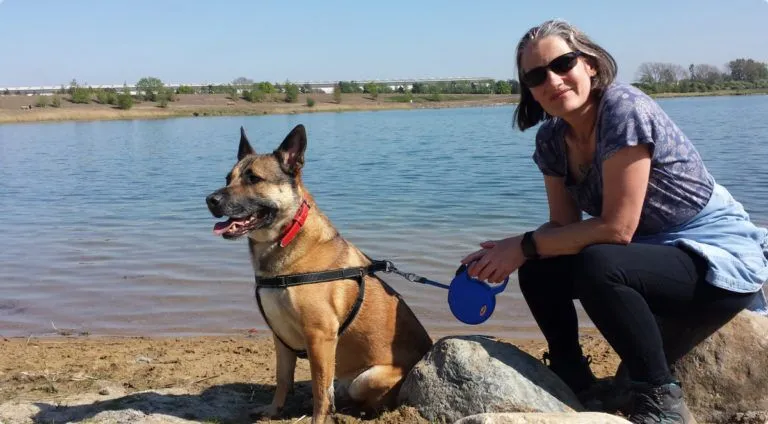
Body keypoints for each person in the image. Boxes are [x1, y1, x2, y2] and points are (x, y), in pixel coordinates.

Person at [460, 18, 768, 424]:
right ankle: (574, 378)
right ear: (529, 90)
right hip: (652, 255)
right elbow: (562, 227)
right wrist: (506, 252)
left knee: (598, 262)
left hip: (714, 253)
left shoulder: (624, 109)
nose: (552, 80)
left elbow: (616, 229)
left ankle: (660, 397)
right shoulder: (552, 139)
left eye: (562, 63)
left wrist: (524, 244)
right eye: (536, 75)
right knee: (539, 267)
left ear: (589, 63)